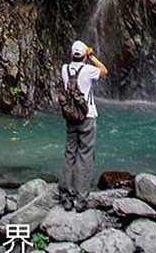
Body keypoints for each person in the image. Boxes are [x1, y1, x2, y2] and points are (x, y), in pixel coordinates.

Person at [59, 39, 108, 212]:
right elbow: (104, 71)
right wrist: (92, 55)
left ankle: (65, 196)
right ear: (84, 56)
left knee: (69, 155)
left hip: (71, 118)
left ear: (71, 54)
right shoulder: (88, 70)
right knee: (85, 157)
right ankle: (81, 200)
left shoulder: (64, 69)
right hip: (87, 118)